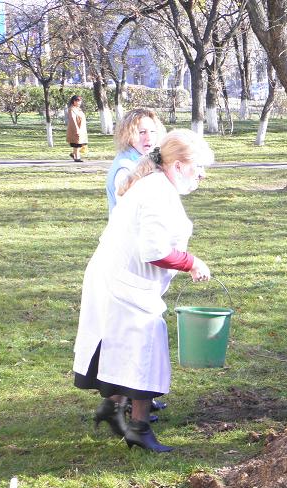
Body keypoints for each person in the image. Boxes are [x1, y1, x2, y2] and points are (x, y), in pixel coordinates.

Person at [73, 129, 214, 453]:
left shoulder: (156, 185)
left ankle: (112, 409)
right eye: (199, 167)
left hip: (119, 279)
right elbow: (154, 251)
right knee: (145, 354)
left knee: (122, 349)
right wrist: (192, 263)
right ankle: (138, 428)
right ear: (178, 165)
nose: (202, 175)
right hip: (124, 285)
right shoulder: (157, 193)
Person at [106, 108, 165, 215]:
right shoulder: (125, 168)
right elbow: (130, 213)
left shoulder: (145, 159)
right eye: (142, 132)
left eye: (153, 131)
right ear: (128, 135)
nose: (149, 137)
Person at [66, 95, 87, 163]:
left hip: (81, 129)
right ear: (73, 101)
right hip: (75, 128)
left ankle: (73, 154)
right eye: (77, 101)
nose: (79, 102)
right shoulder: (72, 109)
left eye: (80, 101)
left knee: (81, 144)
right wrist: (76, 129)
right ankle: (77, 157)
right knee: (77, 144)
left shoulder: (78, 109)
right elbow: (73, 120)